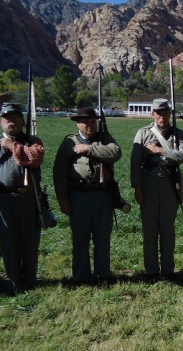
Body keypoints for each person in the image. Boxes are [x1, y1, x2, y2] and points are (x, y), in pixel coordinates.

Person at [0, 103, 45, 294]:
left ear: (22, 121)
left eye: (15, 118)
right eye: (7, 118)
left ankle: (30, 281)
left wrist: (12, 146)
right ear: (1, 122)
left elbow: (34, 158)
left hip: (28, 198)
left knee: (30, 241)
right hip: (2, 199)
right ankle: (13, 280)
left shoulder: (33, 140)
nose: (11, 122)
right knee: (8, 242)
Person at [53, 107, 122, 285]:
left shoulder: (105, 139)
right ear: (78, 123)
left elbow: (116, 153)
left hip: (102, 195)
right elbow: (59, 174)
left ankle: (103, 275)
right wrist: (63, 201)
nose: (90, 125)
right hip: (79, 196)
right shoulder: (69, 142)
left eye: (92, 122)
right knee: (80, 238)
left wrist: (90, 149)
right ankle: (81, 276)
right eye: (85, 122)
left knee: (102, 238)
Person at [130, 98, 183, 282]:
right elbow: (135, 164)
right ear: (153, 114)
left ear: (169, 114)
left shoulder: (179, 134)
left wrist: (160, 151)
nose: (162, 116)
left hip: (169, 185)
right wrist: (138, 188)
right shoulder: (143, 134)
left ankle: (168, 269)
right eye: (158, 113)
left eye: (165, 113)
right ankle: (151, 271)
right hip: (148, 185)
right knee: (149, 230)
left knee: (167, 229)